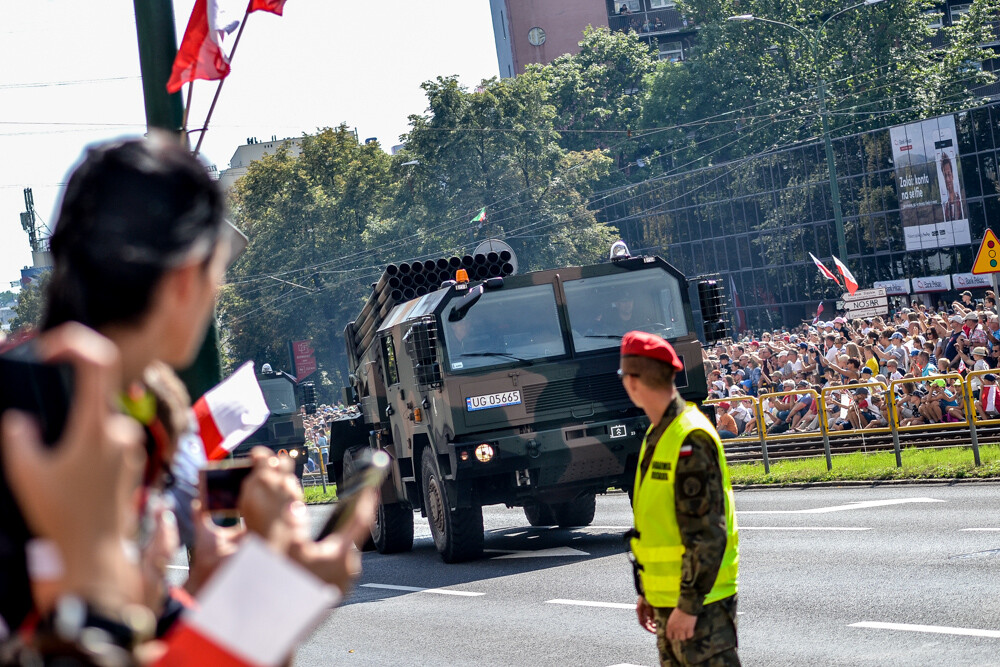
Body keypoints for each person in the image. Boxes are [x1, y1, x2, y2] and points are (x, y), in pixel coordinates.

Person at [621, 331, 740, 667]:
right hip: (673, 602)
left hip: (701, 606)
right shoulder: (659, 432)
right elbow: (663, 526)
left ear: (633, 382)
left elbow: (707, 533)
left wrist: (688, 606)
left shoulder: (689, 436)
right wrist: (649, 592)